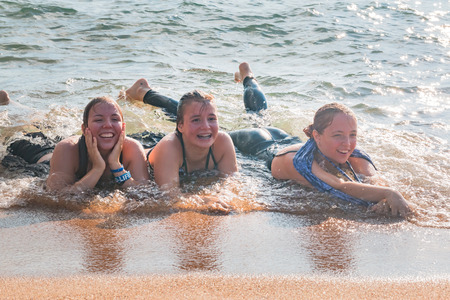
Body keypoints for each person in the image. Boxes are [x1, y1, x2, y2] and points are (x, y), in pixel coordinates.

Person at [229, 63, 411, 217]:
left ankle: (247, 77)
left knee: (260, 115)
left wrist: (384, 200)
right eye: (338, 135)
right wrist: (389, 194)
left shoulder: (356, 156)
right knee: (255, 117)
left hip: (285, 138)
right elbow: (339, 186)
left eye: (352, 135)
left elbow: (375, 183)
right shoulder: (299, 163)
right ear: (316, 136)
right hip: (258, 144)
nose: (347, 143)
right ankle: (248, 76)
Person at [4, 96, 150, 192]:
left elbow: (144, 193)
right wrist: (98, 168)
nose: (107, 125)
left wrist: (116, 165)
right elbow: (57, 196)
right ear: (84, 129)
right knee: (21, 133)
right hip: (43, 159)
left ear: (123, 127)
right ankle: (10, 106)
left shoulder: (132, 148)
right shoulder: (67, 148)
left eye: (114, 119)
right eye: (99, 120)